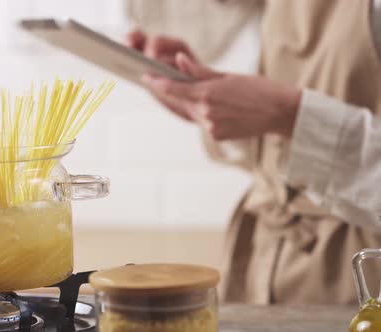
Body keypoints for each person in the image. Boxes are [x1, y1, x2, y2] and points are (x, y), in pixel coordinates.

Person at [128, 0, 381, 304]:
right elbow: (285, 149)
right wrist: (206, 103)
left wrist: (288, 115)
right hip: (262, 266)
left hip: (361, 278)